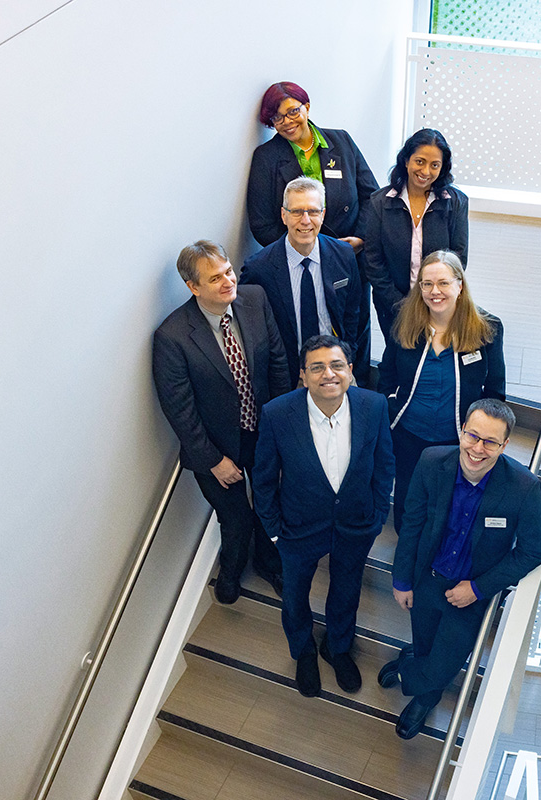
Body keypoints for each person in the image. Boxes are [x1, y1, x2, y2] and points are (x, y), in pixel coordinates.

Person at [379, 399, 541, 739]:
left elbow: (534, 550)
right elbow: (412, 523)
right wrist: (401, 579)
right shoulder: (431, 461)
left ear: (505, 445)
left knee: (444, 662)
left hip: (471, 593)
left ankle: (417, 688)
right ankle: (416, 659)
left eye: (490, 442)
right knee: (426, 641)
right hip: (426, 579)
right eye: (473, 436)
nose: (478, 448)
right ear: (461, 431)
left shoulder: (523, 488)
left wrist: (478, 588)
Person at [254, 335, 395, 697]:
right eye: (316, 367)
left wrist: (378, 515)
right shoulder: (277, 414)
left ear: (350, 370)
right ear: (303, 376)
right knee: (295, 596)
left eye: (336, 365)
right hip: (297, 529)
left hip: (356, 524)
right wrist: (273, 531)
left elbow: (384, 465)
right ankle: (303, 652)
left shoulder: (374, 405)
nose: (327, 374)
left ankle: (337, 647)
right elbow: (264, 478)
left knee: (346, 591)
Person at [152, 241, 290, 605]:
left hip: (261, 431)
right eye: (215, 279)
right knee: (235, 518)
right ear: (193, 287)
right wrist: (213, 460)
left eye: (228, 271)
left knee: (267, 504)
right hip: (215, 446)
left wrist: (280, 434)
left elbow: (277, 364)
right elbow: (179, 410)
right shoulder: (173, 337)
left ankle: (269, 563)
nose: (229, 281)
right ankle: (230, 572)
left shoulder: (255, 300)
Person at [247, 82, 378, 388]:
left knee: (352, 329)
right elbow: (262, 222)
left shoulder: (341, 141)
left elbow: (371, 196)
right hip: (298, 263)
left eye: (293, 111)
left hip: (349, 257)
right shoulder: (266, 157)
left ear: (306, 107)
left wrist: (358, 240)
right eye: (276, 118)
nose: (287, 121)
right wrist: (301, 247)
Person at [378, 251, 504, 539]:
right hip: (408, 438)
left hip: (457, 442)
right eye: (427, 284)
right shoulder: (405, 321)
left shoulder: (488, 328)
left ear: (460, 285)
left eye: (444, 283)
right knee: (408, 515)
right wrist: (390, 411)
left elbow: (495, 391)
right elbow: (387, 375)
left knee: (448, 517)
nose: (435, 292)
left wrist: (481, 439)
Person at [241, 177, 362, 384]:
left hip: (335, 369)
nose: (305, 220)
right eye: (296, 212)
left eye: (313, 211)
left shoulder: (344, 255)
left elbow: (353, 313)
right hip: (289, 376)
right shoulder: (258, 268)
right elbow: (252, 330)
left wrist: (345, 357)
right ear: (283, 215)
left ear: (323, 214)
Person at [363, 128, 468, 336]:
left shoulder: (455, 202)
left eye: (434, 165)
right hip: (391, 305)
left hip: (439, 303)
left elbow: (458, 258)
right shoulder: (380, 202)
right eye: (420, 161)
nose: (426, 171)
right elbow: (373, 261)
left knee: (432, 360)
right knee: (398, 359)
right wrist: (400, 305)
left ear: (443, 168)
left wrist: (434, 299)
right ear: (406, 160)